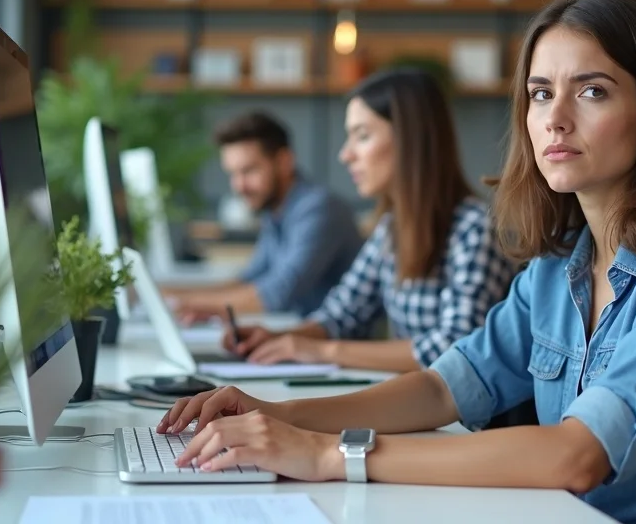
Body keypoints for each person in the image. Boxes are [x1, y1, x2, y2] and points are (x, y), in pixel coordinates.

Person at [157, 0, 636, 523]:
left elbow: (578, 456)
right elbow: (442, 388)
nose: (555, 120)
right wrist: (275, 415)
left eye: (592, 92)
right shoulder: (556, 269)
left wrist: (331, 454)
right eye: (541, 94)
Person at [219, 69, 518, 373]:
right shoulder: (392, 228)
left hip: (469, 419)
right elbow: (341, 315)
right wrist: (278, 337)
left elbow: (455, 348)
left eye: (362, 136)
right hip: (415, 403)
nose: (345, 154)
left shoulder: (475, 228)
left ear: (410, 140)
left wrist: (321, 350)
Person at [165, 111, 363, 323]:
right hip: (303, 338)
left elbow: (277, 294)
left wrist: (195, 304)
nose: (239, 186)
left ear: (284, 162)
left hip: (338, 347)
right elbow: (249, 280)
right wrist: (173, 297)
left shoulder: (319, 209)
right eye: (232, 174)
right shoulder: (276, 210)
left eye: (249, 171)